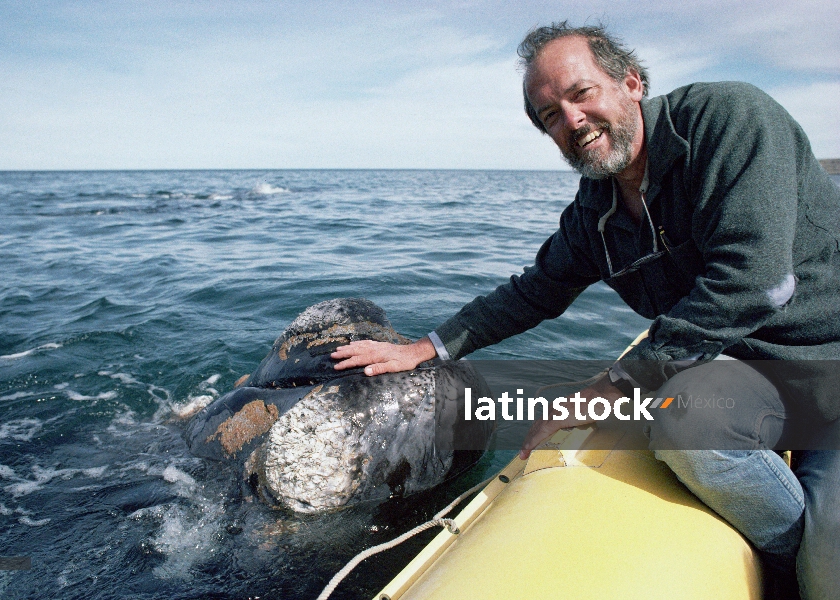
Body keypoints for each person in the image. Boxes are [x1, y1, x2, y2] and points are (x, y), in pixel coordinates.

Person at [331, 22, 840, 599]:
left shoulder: (728, 120)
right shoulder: (594, 212)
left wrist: (616, 383)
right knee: (688, 426)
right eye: (550, 115)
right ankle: (788, 557)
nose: (571, 121)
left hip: (830, 366)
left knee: (834, 564)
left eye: (581, 94)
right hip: (744, 367)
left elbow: (757, 283)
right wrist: (423, 349)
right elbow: (535, 290)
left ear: (631, 83)